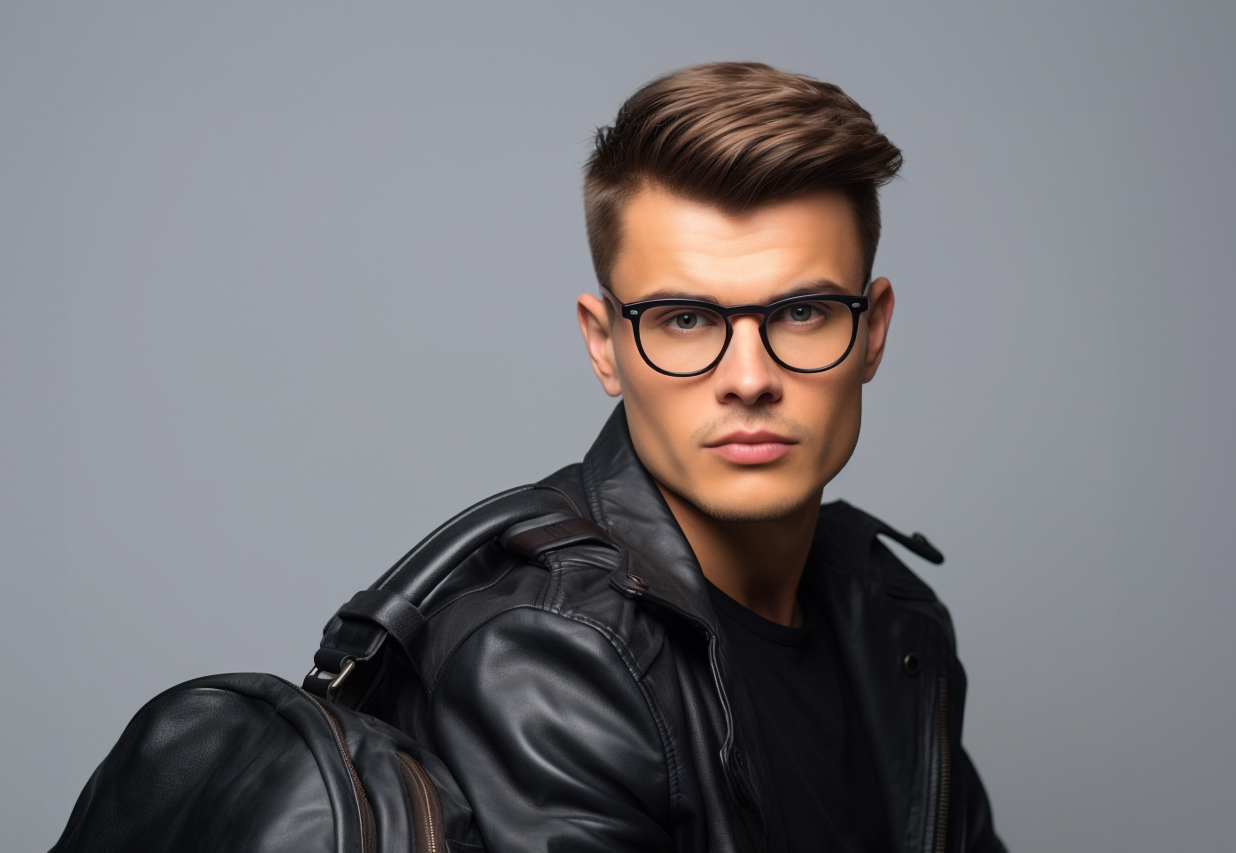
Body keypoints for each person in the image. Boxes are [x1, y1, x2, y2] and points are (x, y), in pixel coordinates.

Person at [396, 62, 1006, 852]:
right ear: (604, 344)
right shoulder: (542, 657)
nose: (749, 379)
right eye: (684, 318)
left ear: (873, 331)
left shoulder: (889, 614)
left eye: (802, 312)